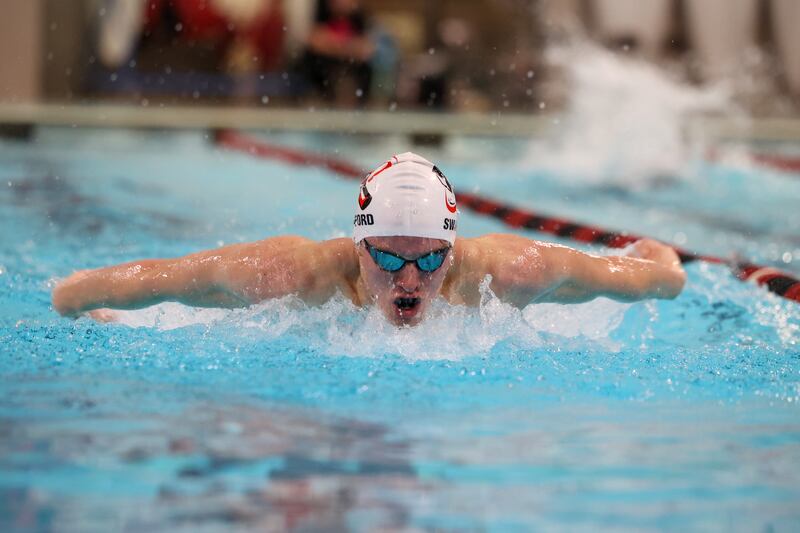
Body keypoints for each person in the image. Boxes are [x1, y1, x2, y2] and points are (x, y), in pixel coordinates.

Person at [52, 152, 686, 326]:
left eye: (429, 259)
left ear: (453, 250)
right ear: (357, 246)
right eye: (387, 257)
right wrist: (77, 297)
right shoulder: (289, 275)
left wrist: (657, 256)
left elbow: (653, 278)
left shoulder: (508, 272)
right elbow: (163, 278)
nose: (410, 280)